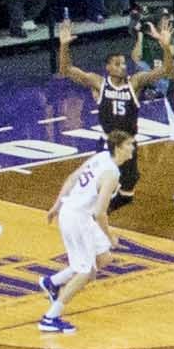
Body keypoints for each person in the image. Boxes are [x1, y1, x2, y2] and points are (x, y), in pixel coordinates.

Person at [40, 125, 123, 337]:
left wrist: (56, 205)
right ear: (120, 148)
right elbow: (100, 213)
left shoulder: (101, 156)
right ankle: (50, 317)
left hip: (76, 213)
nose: (134, 148)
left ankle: (52, 282)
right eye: (131, 144)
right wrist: (110, 236)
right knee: (85, 272)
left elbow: (72, 178)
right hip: (78, 218)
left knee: (103, 259)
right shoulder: (111, 173)